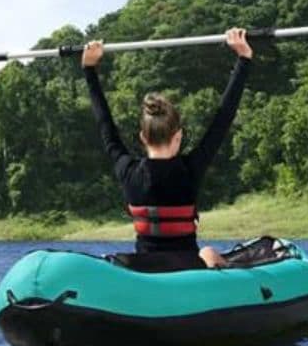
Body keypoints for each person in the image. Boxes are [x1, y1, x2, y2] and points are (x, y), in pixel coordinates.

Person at [82, 28, 252, 272]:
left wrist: (89, 69)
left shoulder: (127, 171)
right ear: (178, 136)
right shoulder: (191, 169)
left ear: (142, 137)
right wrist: (243, 58)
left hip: (145, 271)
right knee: (209, 253)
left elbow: (104, 123)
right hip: (188, 268)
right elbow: (223, 117)